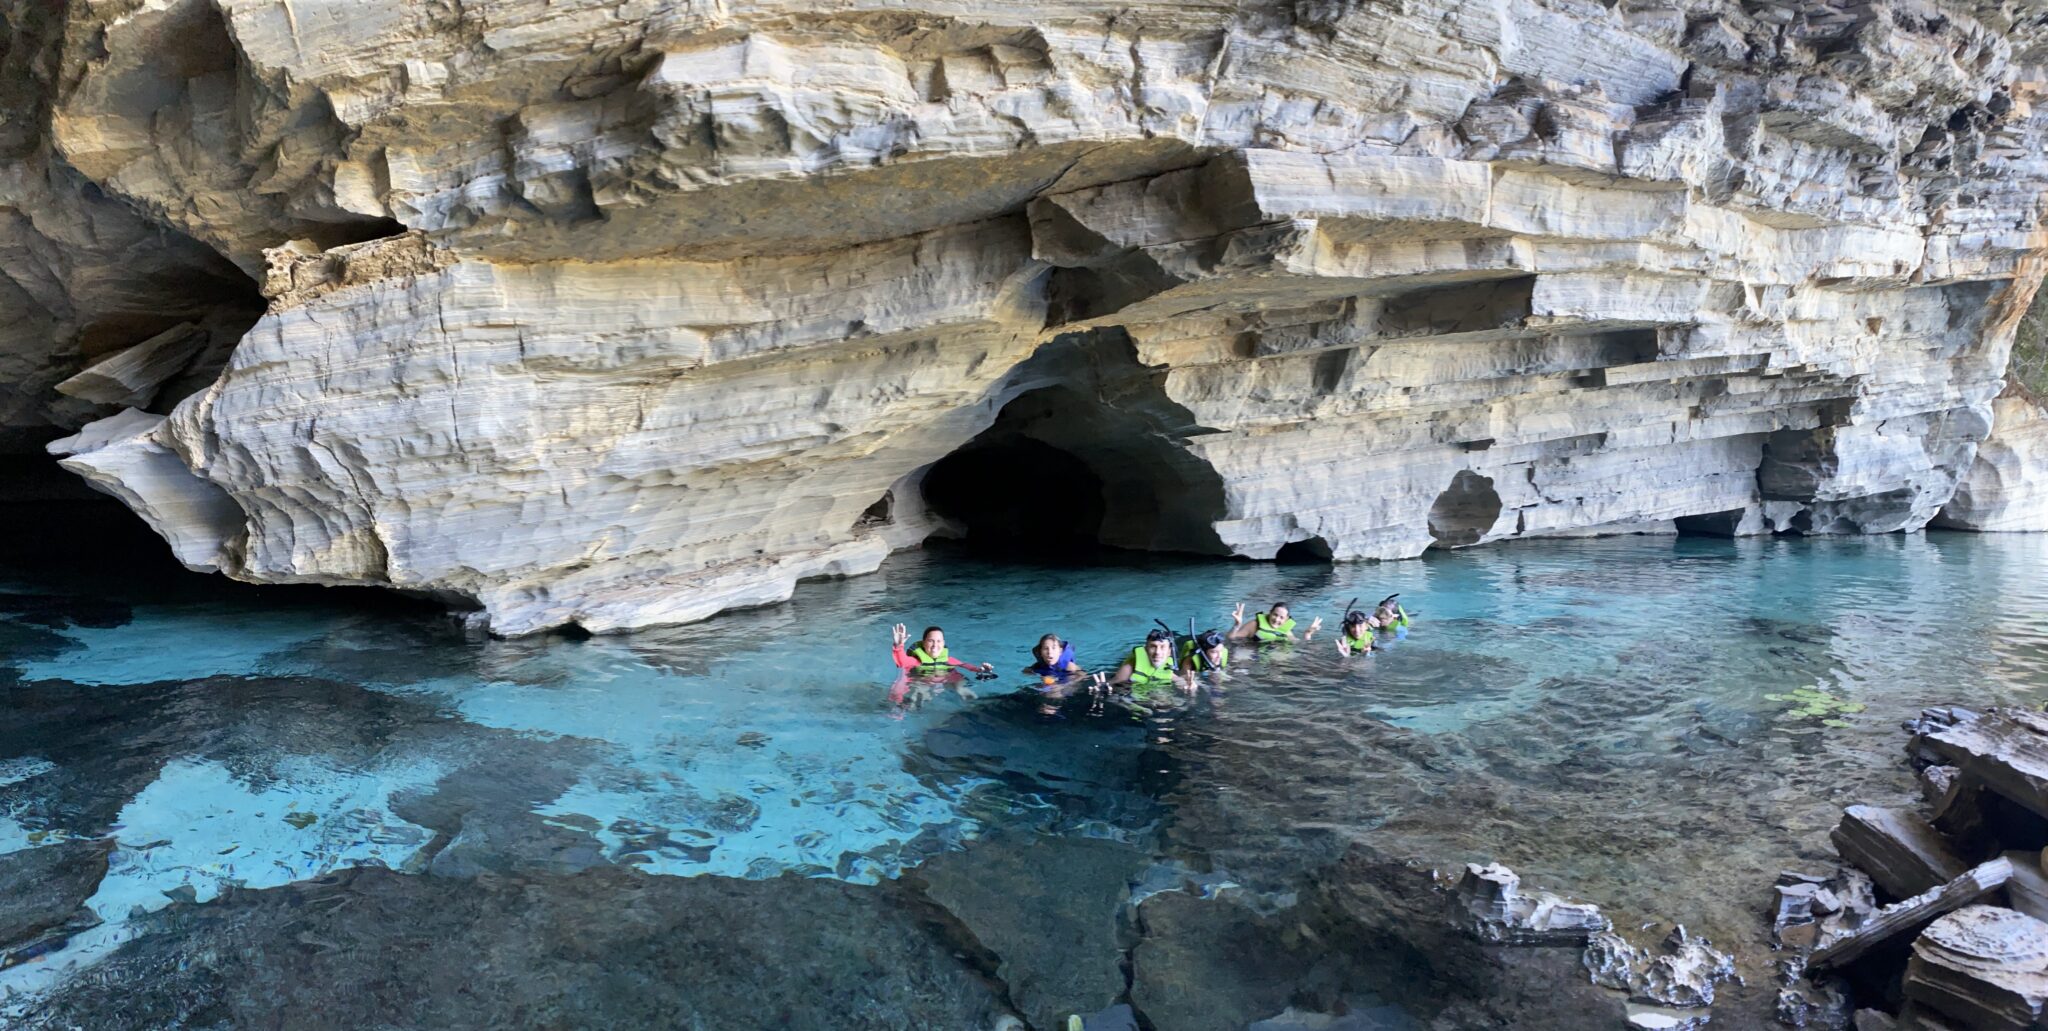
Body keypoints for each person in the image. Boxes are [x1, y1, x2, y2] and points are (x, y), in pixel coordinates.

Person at [1109, 628, 1193, 701]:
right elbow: (1112, 685)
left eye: (1162, 647)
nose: (1157, 652)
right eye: (1153, 646)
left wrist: (1190, 687)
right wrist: (1105, 689)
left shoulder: (1168, 667)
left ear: (1169, 652)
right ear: (1146, 650)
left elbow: (1178, 680)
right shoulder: (1129, 667)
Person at [891, 624, 994, 676]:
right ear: (923, 643)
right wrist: (899, 645)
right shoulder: (916, 661)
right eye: (931, 641)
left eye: (939, 641)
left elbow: (965, 665)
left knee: (961, 686)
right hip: (922, 684)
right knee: (920, 691)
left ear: (943, 643)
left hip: (944, 682)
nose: (935, 645)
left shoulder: (949, 660)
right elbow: (902, 662)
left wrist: (981, 670)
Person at [1227, 601, 1321, 643]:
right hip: (1251, 653)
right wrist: (1237, 625)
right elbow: (1230, 638)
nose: (1277, 619)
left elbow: (1301, 645)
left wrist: (1308, 634)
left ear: (1286, 620)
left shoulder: (1286, 632)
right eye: (1275, 615)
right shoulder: (1254, 625)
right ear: (1270, 613)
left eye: (1281, 617)